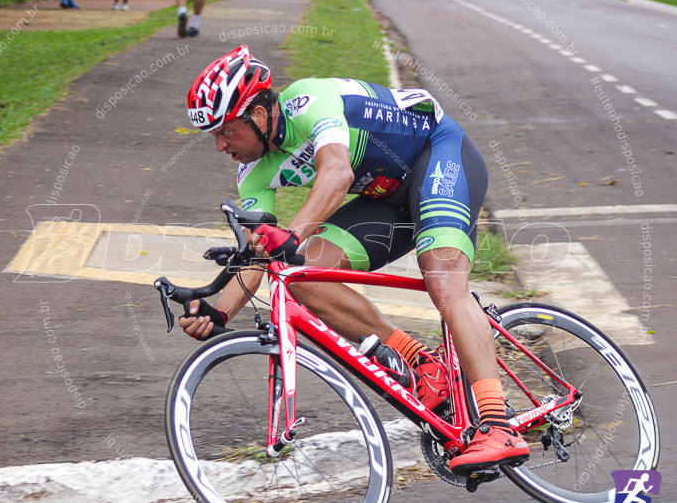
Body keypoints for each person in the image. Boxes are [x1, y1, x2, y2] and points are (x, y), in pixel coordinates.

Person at [178, 45, 529, 476]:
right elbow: (262, 249)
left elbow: (337, 172)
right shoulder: (254, 171)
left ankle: (497, 425)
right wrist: (218, 309)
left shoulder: (309, 100)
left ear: (260, 113)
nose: (220, 145)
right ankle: (421, 365)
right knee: (301, 277)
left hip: (438, 156)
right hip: (387, 198)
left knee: (443, 280)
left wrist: (292, 233)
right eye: (213, 135)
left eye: (226, 130)